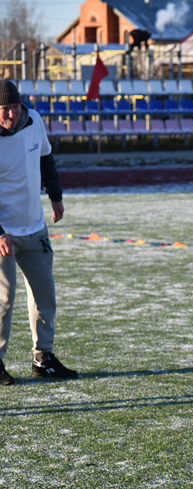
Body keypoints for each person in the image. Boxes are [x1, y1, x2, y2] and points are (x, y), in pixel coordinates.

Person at [0, 80, 78, 385]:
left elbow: (46, 159)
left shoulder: (35, 122)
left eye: (15, 108)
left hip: (35, 228)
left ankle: (43, 358)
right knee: (3, 301)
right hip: (4, 234)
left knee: (45, 296)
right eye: (4, 109)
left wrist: (56, 197)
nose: (11, 115)